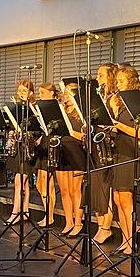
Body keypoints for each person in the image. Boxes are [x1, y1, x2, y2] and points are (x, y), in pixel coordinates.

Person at [110, 66, 140, 256]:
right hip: (119, 151)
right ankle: (125, 239)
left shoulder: (136, 102)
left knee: (126, 199)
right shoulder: (121, 102)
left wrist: (120, 125)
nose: (118, 84)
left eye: (121, 81)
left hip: (129, 154)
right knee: (117, 198)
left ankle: (132, 241)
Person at [90, 63, 117, 244]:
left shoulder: (114, 98)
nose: (98, 79)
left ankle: (106, 227)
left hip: (109, 147)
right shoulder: (100, 97)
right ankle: (100, 226)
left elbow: (114, 123)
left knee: (106, 188)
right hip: (96, 144)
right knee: (97, 188)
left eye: (101, 75)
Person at [4, 80, 37, 225]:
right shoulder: (16, 109)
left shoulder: (34, 109)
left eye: (24, 91)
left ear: (31, 93)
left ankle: (16, 212)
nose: (21, 93)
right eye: (19, 91)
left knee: (20, 181)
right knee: (23, 183)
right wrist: (11, 133)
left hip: (28, 148)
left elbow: (37, 129)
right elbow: (11, 126)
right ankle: (25, 210)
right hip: (18, 148)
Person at [57, 82, 86, 238]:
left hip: (77, 151)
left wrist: (74, 134)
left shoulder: (80, 113)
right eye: (65, 93)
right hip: (63, 151)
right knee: (64, 190)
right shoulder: (62, 111)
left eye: (69, 93)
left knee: (76, 190)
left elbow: (85, 136)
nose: (65, 96)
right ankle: (68, 221)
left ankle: (78, 222)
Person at [35, 83, 58, 227]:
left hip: (52, 143)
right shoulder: (42, 107)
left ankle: (50, 215)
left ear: (52, 93)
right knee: (40, 183)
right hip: (43, 143)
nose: (40, 96)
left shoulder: (54, 107)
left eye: (43, 93)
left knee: (48, 182)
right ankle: (46, 212)